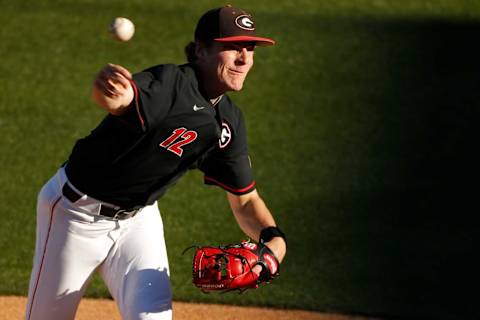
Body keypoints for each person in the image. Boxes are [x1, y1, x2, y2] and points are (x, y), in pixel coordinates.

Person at [25, 5, 287, 320]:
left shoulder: (228, 121)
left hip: (138, 222)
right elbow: (122, 100)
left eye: (250, 49)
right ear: (201, 51)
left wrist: (274, 243)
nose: (244, 58)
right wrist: (110, 93)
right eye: (232, 47)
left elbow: (245, 201)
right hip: (74, 216)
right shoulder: (170, 83)